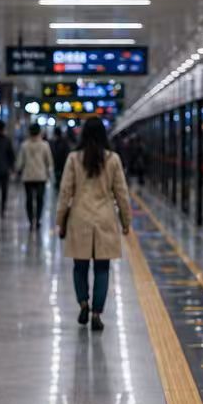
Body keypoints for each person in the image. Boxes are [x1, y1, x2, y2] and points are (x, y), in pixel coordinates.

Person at [57, 117, 132, 332]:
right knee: (102, 268)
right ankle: (97, 313)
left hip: (79, 218)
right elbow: (122, 194)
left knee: (79, 267)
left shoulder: (73, 159)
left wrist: (60, 220)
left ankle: (83, 303)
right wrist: (126, 221)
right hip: (105, 219)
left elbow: (65, 193)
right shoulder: (113, 159)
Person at [16, 123, 53, 227]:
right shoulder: (45, 145)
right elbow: (49, 161)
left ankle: (30, 219)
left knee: (29, 199)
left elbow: (20, 162)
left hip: (28, 177)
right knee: (40, 199)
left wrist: (18, 171)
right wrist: (49, 174)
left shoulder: (24, 145)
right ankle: (38, 219)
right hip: (41, 176)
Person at [51, 126, 74, 191]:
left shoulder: (61, 142)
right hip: (59, 164)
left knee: (61, 177)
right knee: (58, 177)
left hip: (62, 164)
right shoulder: (56, 142)